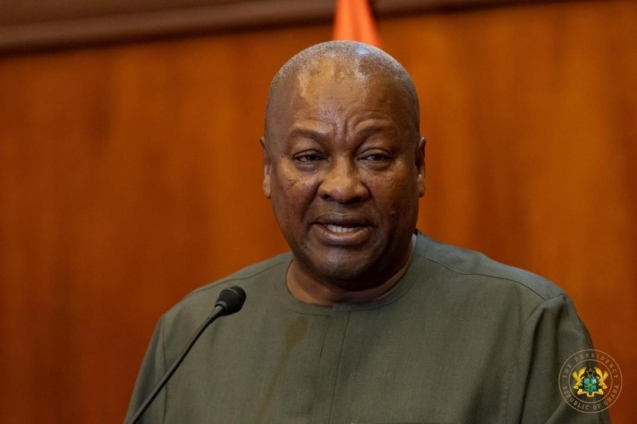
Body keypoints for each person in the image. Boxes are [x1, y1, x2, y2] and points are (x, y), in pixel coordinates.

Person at [125, 41, 607, 423]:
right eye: (309, 157)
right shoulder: (193, 333)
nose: (342, 187)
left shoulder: (528, 324)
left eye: (373, 156)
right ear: (269, 170)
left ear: (418, 167)